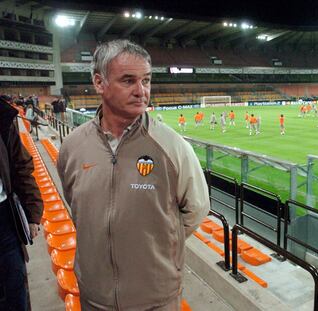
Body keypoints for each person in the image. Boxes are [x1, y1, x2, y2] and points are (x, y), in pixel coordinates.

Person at [57, 39, 210, 311]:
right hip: (94, 295)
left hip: (155, 298)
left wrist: (154, 244)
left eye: (147, 80)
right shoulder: (73, 147)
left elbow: (196, 210)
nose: (141, 91)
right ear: (99, 83)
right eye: (128, 80)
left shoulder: (172, 147)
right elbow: (77, 204)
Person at [0, 97, 43, 311]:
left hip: (4, 221)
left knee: (15, 293)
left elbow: (21, 166)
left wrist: (32, 213)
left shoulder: (3, 117)